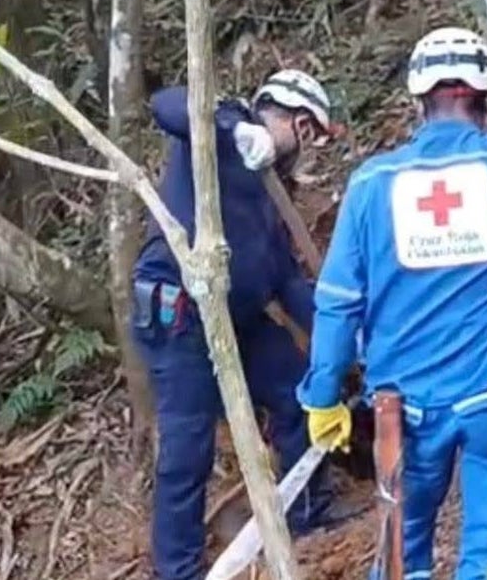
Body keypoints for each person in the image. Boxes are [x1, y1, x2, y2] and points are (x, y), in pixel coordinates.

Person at [297, 26, 487, 579]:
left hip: (402, 416)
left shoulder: (373, 183)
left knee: (399, 559)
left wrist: (323, 397)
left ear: (418, 100)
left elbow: (339, 301)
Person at [132, 69, 359, 580]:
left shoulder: (268, 196)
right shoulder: (223, 132)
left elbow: (287, 283)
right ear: (298, 124)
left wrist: (346, 335)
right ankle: (178, 570)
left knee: (299, 387)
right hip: (181, 316)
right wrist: (234, 131)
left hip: (238, 321)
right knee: (188, 448)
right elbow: (167, 105)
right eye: (313, 136)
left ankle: (308, 512)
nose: (311, 151)